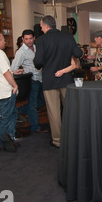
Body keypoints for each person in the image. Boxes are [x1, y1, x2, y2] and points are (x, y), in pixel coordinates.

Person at [33, 15, 83, 148]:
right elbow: (78, 53)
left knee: (54, 112)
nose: (41, 28)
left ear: (45, 25)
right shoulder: (68, 37)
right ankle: (74, 137)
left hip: (49, 80)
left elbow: (38, 62)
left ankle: (58, 141)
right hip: (66, 79)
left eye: (41, 26)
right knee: (71, 109)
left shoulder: (41, 40)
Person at [11, 29, 48, 134]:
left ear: (34, 38)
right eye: (26, 39)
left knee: (43, 101)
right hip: (31, 80)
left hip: (41, 78)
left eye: (30, 38)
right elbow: (13, 68)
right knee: (32, 104)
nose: (29, 41)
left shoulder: (37, 48)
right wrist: (19, 71)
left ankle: (19, 111)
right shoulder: (21, 52)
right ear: (23, 39)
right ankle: (35, 127)